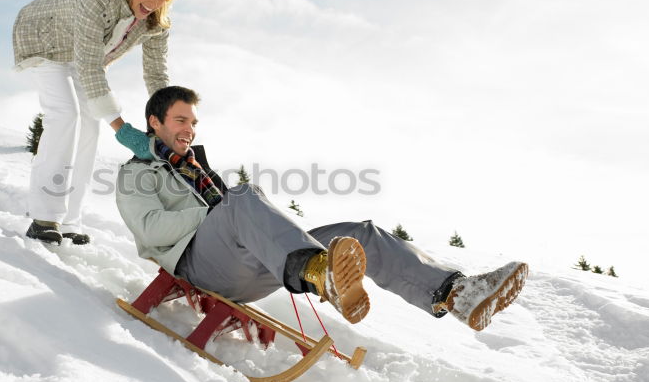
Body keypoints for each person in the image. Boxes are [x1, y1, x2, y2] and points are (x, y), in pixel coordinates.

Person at [115, 86, 529, 331]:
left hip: (248, 267)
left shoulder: (197, 170)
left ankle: (457, 294)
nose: (189, 129)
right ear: (154, 122)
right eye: (181, 121)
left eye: (194, 123)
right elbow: (151, 229)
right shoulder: (137, 173)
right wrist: (217, 212)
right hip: (196, 269)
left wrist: (227, 212)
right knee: (241, 197)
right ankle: (317, 271)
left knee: (358, 234)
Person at [12, 0, 179, 246]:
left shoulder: (155, 23)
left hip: (86, 54)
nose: (154, 2)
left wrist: (168, 122)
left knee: (90, 124)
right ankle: (44, 216)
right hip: (43, 38)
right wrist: (124, 131)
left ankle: (70, 219)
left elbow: (156, 75)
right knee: (66, 114)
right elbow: (90, 68)